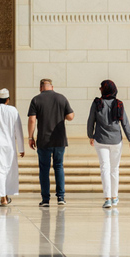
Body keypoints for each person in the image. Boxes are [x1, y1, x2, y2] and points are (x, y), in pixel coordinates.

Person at [87, 80, 130, 208]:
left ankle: (107, 198)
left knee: (105, 168)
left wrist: (90, 135)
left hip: (101, 140)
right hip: (116, 141)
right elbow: (125, 122)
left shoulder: (97, 103)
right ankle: (114, 197)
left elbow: (91, 120)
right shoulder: (118, 104)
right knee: (114, 169)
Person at [27, 78, 74, 207]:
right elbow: (70, 116)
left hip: (44, 140)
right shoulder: (61, 98)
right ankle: (61, 197)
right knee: (59, 167)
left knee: (44, 169)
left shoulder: (36, 100)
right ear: (52, 87)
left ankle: (46, 199)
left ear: (41, 87)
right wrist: (61, 114)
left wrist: (30, 137)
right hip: (59, 140)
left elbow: (32, 120)